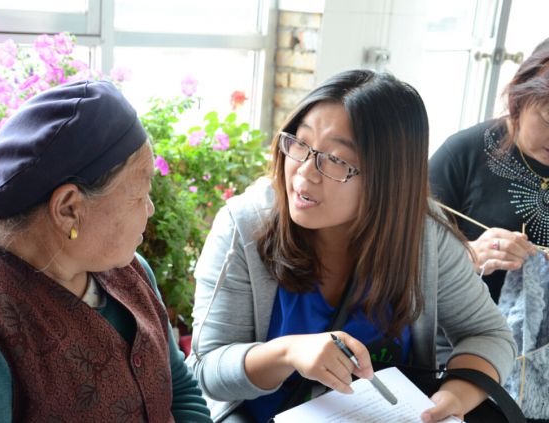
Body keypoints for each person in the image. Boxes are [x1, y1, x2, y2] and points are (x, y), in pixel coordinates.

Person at [186, 69, 516, 423]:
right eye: (300, 143)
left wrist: (454, 397)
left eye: (336, 160)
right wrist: (287, 353)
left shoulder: (421, 235)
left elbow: (487, 333)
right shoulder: (246, 226)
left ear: (388, 180)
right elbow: (207, 369)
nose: (304, 173)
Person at [0, 80, 212, 422]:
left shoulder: (130, 271)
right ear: (68, 208)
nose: (151, 209)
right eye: (139, 194)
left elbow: (181, 393)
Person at [429, 38, 549, 302]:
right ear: (521, 95)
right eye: (548, 121)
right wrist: (471, 255)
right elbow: (400, 256)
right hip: (463, 333)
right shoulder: (463, 153)